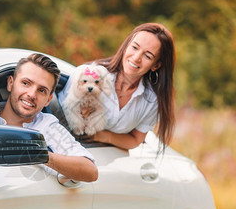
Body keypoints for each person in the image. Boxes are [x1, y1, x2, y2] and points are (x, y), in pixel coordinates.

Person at [0, 53, 98, 182]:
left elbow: (90, 171)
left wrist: (41, 155)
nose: (31, 94)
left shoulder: (47, 127)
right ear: (10, 84)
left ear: (48, 100)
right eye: (25, 83)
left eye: (42, 90)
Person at [59, 23, 175, 151]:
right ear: (126, 47)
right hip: (65, 147)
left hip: (107, 160)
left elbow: (136, 139)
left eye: (147, 56)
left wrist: (103, 136)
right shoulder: (88, 75)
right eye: (135, 47)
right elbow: (61, 115)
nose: (136, 58)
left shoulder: (152, 101)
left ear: (156, 65)